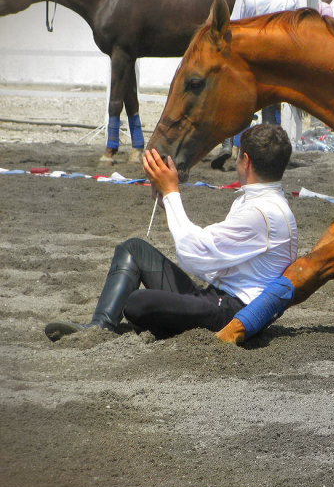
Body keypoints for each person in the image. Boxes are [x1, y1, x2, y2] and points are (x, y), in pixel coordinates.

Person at [44, 125, 298, 341]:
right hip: (220, 297)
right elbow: (211, 264)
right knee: (134, 249)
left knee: (137, 303)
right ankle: (99, 326)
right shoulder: (261, 203)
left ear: (246, 161)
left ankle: (141, 324)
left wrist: (171, 192)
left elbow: (193, 255)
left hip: (232, 312)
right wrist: (168, 200)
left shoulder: (262, 211)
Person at [212, 0, 298, 170]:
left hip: (252, 56)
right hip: (277, 58)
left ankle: (233, 146)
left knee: (241, 104)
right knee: (271, 105)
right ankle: (272, 151)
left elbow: (234, 25)